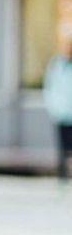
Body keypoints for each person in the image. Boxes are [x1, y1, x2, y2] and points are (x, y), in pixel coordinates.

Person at [42, 41, 72, 181]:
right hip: (61, 112)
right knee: (62, 147)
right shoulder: (57, 65)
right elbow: (49, 87)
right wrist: (53, 107)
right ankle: (63, 175)